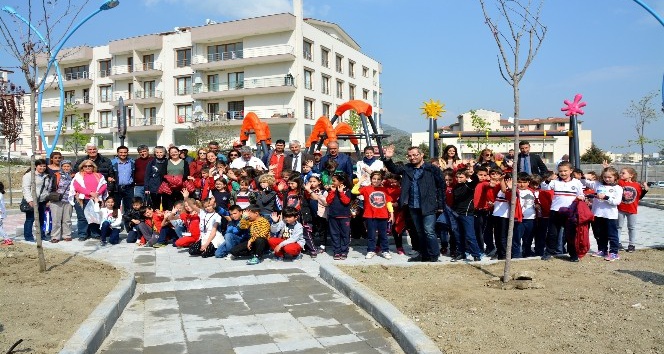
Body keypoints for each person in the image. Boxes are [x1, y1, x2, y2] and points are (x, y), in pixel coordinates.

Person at [383, 146, 445, 262]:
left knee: (429, 231)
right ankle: (423, 254)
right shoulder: (407, 168)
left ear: (422, 155)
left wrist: (441, 205)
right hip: (413, 205)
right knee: (419, 232)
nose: (412, 157)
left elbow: (441, 187)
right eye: (410, 155)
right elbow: (394, 169)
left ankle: (434, 255)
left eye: (415, 155)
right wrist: (388, 158)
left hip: (429, 205)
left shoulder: (432, 169)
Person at [540, 161, 585, 261]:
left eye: (565, 171)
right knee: (552, 233)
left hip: (570, 212)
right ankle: (549, 252)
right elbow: (544, 187)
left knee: (570, 234)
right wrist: (548, 179)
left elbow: (581, 194)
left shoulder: (576, 182)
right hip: (555, 211)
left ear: (571, 171)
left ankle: (573, 254)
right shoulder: (555, 181)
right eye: (561, 171)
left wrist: (581, 198)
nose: (563, 173)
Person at [581, 167, 623, 261]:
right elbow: (584, 182)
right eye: (605, 177)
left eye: (609, 177)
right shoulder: (598, 184)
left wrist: (606, 197)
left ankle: (614, 252)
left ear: (615, 177)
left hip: (610, 215)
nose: (607, 179)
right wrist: (584, 176)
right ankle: (602, 250)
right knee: (600, 234)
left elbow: (617, 202)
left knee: (612, 234)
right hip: (597, 214)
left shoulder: (618, 188)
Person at [352, 171, 394, 259]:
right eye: (374, 179)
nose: (376, 181)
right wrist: (360, 181)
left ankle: (385, 250)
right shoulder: (366, 188)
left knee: (383, 235)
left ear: (381, 180)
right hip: (370, 216)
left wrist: (392, 213)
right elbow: (354, 191)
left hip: (383, 216)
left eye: (378, 179)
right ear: (371, 179)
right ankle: (371, 250)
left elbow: (388, 202)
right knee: (371, 235)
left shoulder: (384, 190)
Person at [71, 160, 108, 241]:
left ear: (93, 167)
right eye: (85, 166)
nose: (87, 167)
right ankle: (83, 234)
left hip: (95, 199)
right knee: (82, 217)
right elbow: (77, 187)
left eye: (90, 166)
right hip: (82, 199)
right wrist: (90, 193)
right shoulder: (78, 175)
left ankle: (95, 233)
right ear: (82, 167)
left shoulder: (99, 175)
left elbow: (104, 185)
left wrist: (97, 193)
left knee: (95, 217)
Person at [616, 167, 648, 253]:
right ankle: (618, 243)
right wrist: (607, 167)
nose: (621, 174)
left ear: (631, 175)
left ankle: (631, 244)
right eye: (621, 173)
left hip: (632, 210)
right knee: (618, 226)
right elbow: (612, 177)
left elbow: (639, 197)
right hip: (620, 209)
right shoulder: (620, 182)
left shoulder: (637, 185)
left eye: (623, 173)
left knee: (632, 227)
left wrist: (645, 189)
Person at [22, 160, 52, 242]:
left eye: (44, 166)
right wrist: (29, 200)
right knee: (30, 219)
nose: (42, 168)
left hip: (42, 200)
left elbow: (47, 189)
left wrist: (48, 200)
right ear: (35, 166)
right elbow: (26, 189)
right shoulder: (29, 176)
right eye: (40, 166)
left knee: (42, 219)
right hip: (32, 200)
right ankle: (28, 236)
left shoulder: (47, 176)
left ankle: (42, 235)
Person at [325, 173, 352, 260]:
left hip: (344, 217)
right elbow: (328, 201)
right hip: (333, 216)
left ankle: (344, 251)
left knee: (345, 234)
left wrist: (341, 193)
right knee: (334, 234)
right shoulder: (331, 190)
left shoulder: (347, 190)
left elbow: (346, 201)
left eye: (334, 181)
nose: (332, 182)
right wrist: (332, 191)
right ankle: (337, 251)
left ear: (341, 181)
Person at [49, 159, 74, 242]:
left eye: (68, 166)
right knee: (56, 220)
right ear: (61, 167)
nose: (66, 168)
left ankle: (66, 235)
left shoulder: (73, 176)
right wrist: (48, 199)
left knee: (67, 219)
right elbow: (50, 187)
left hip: (68, 200)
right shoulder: (56, 175)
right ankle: (55, 236)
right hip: (56, 200)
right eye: (64, 166)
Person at [111, 145, 135, 214]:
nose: (123, 154)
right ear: (117, 153)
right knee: (115, 207)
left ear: (127, 153)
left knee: (129, 208)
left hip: (129, 188)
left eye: (125, 152)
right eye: (121, 152)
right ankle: (115, 223)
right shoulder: (112, 163)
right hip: (116, 188)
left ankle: (127, 224)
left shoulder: (132, 162)